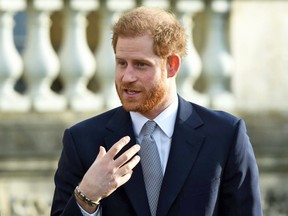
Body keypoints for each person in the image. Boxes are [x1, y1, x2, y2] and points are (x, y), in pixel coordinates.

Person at [51, 6, 262, 216]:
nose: (127, 77)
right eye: (121, 63)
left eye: (140, 65)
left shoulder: (226, 135)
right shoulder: (81, 140)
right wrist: (87, 196)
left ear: (172, 65)